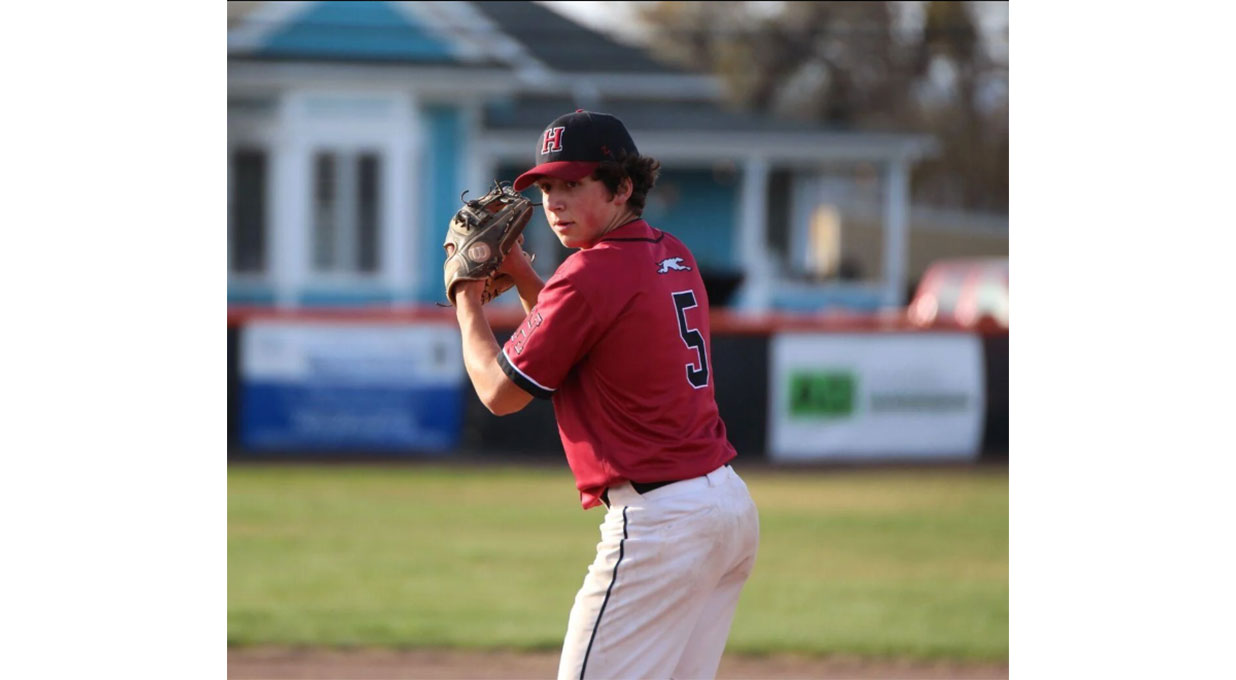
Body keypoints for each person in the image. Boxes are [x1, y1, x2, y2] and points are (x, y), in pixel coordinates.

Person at [452, 109, 760, 680]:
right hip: (727, 509)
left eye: (573, 183)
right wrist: (523, 277)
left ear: (622, 187)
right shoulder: (672, 252)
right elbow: (574, 338)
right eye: (545, 186)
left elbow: (499, 392)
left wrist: (466, 301)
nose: (554, 201)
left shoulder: (588, 274)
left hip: (662, 524)